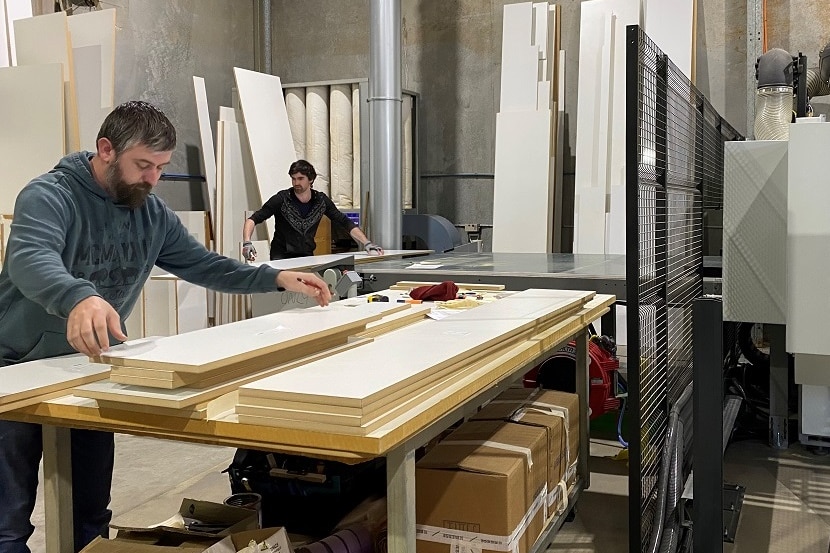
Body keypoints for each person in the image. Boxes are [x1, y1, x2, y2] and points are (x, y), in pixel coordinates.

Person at [0, 100, 331, 553]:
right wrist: (78, 296)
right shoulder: (50, 196)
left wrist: (271, 277)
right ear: (106, 150)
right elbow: (29, 259)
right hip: (16, 369)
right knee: (7, 520)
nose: (152, 179)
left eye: (161, 167)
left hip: (88, 370)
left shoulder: (151, 215)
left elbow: (204, 265)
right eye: (143, 165)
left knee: (90, 513)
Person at [241, 159, 384, 261]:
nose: (296, 183)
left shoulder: (321, 201)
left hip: (306, 256)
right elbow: (253, 219)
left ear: (311, 179)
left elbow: (344, 222)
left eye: (300, 178)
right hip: (281, 257)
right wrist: (247, 242)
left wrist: (367, 243)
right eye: (293, 179)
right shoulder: (281, 199)